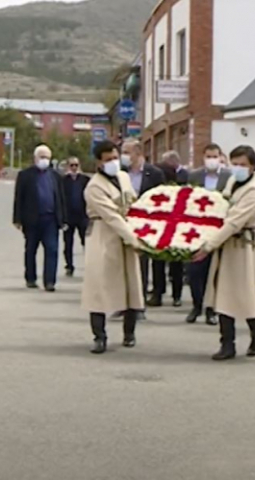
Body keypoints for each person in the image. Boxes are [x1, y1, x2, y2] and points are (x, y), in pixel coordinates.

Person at [196, 145, 255, 360]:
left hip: (248, 245)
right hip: (229, 244)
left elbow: (234, 221)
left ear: (253, 166)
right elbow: (222, 207)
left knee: (246, 292)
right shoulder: (234, 182)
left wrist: (208, 246)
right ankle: (227, 342)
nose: (238, 168)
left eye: (243, 165)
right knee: (224, 292)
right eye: (235, 163)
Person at [81, 140, 144, 354]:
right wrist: (133, 239)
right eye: (108, 160)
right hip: (104, 235)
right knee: (100, 286)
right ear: (98, 163)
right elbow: (112, 216)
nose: (114, 163)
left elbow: (133, 204)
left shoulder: (124, 178)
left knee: (131, 284)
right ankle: (99, 336)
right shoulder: (94, 187)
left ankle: (130, 333)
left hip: (127, 232)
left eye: (115, 158)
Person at [185, 143, 231, 325]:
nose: (212, 160)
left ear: (221, 157)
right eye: (208, 156)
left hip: (219, 230)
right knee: (195, 271)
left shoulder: (229, 176)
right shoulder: (195, 175)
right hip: (197, 230)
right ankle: (197, 305)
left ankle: (212, 309)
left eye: (215, 156)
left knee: (215, 271)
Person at [12, 145, 67, 292]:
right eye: (42, 157)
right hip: (32, 219)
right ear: (35, 158)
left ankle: (50, 281)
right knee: (31, 249)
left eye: (47, 157)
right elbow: (19, 198)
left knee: (52, 249)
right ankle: (30, 278)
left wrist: (63, 219)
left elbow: (60, 198)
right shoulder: (25, 175)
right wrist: (17, 219)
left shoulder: (55, 176)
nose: (45, 160)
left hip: (51, 219)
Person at [121, 139, 164, 308]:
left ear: (138, 153)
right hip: (126, 221)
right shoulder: (121, 173)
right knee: (128, 260)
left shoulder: (154, 173)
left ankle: (142, 298)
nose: (124, 156)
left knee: (144, 261)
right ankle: (126, 299)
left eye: (127, 152)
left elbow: (162, 198)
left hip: (148, 223)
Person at [147, 150, 187, 308]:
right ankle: (171, 294)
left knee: (164, 262)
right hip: (165, 228)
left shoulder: (171, 191)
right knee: (170, 262)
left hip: (170, 228)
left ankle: (162, 292)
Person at [62, 156, 89, 277]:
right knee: (68, 243)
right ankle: (69, 265)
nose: (74, 168)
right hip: (68, 217)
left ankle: (89, 265)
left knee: (86, 242)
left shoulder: (85, 180)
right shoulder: (63, 181)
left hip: (82, 216)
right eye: (71, 165)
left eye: (76, 165)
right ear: (68, 167)